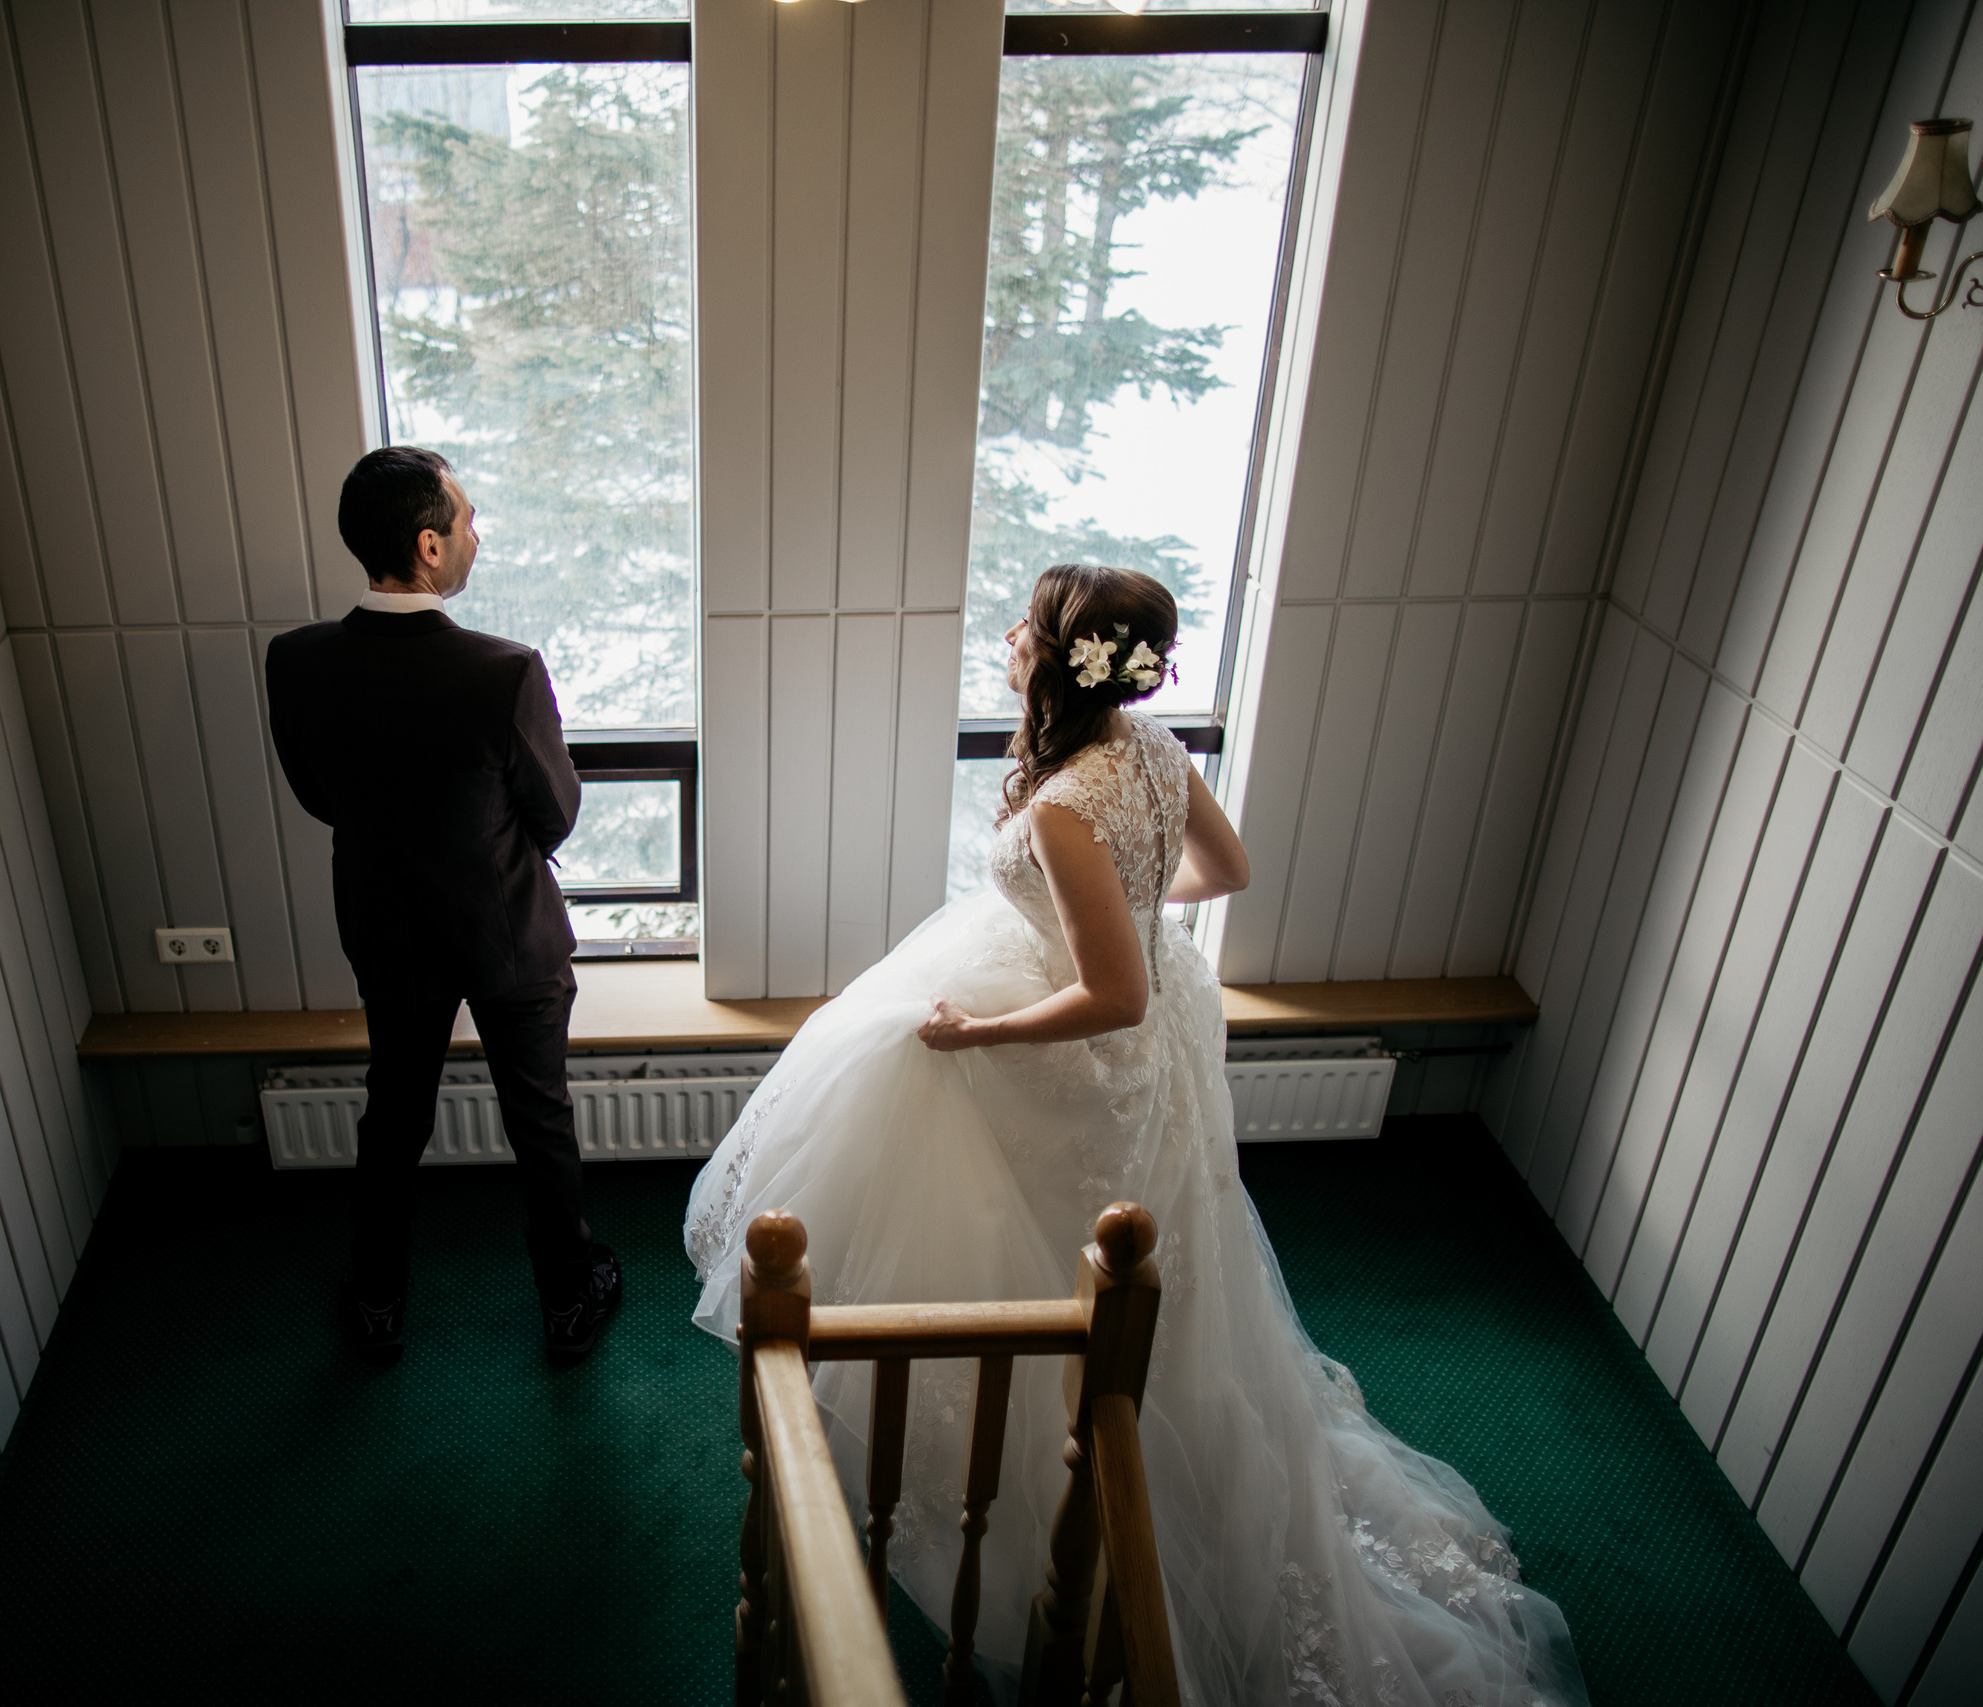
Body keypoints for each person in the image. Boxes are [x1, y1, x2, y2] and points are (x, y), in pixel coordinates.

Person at [684, 564, 1584, 1705]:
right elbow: (1227, 871)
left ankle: (1061, 1464)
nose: (1009, 634)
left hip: (1084, 1051)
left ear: (1059, 659)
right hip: (1153, 1057)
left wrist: (981, 1034)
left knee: (1034, 1235)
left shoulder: (1066, 807)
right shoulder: (1151, 748)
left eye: (1025, 622)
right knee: (1159, 1263)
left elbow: (1112, 999)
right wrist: (1122, 905)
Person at [269, 446, 621, 1364]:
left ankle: (379, 1296)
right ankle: (566, 1301)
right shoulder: (501, 671)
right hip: (506, 930)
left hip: (387, 927)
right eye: (467, 522)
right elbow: (559, 810)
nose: (478, 536)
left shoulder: (297, 661)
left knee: (395, 1114)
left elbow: (319, 793)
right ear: (428, 545)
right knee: (538, 1117)